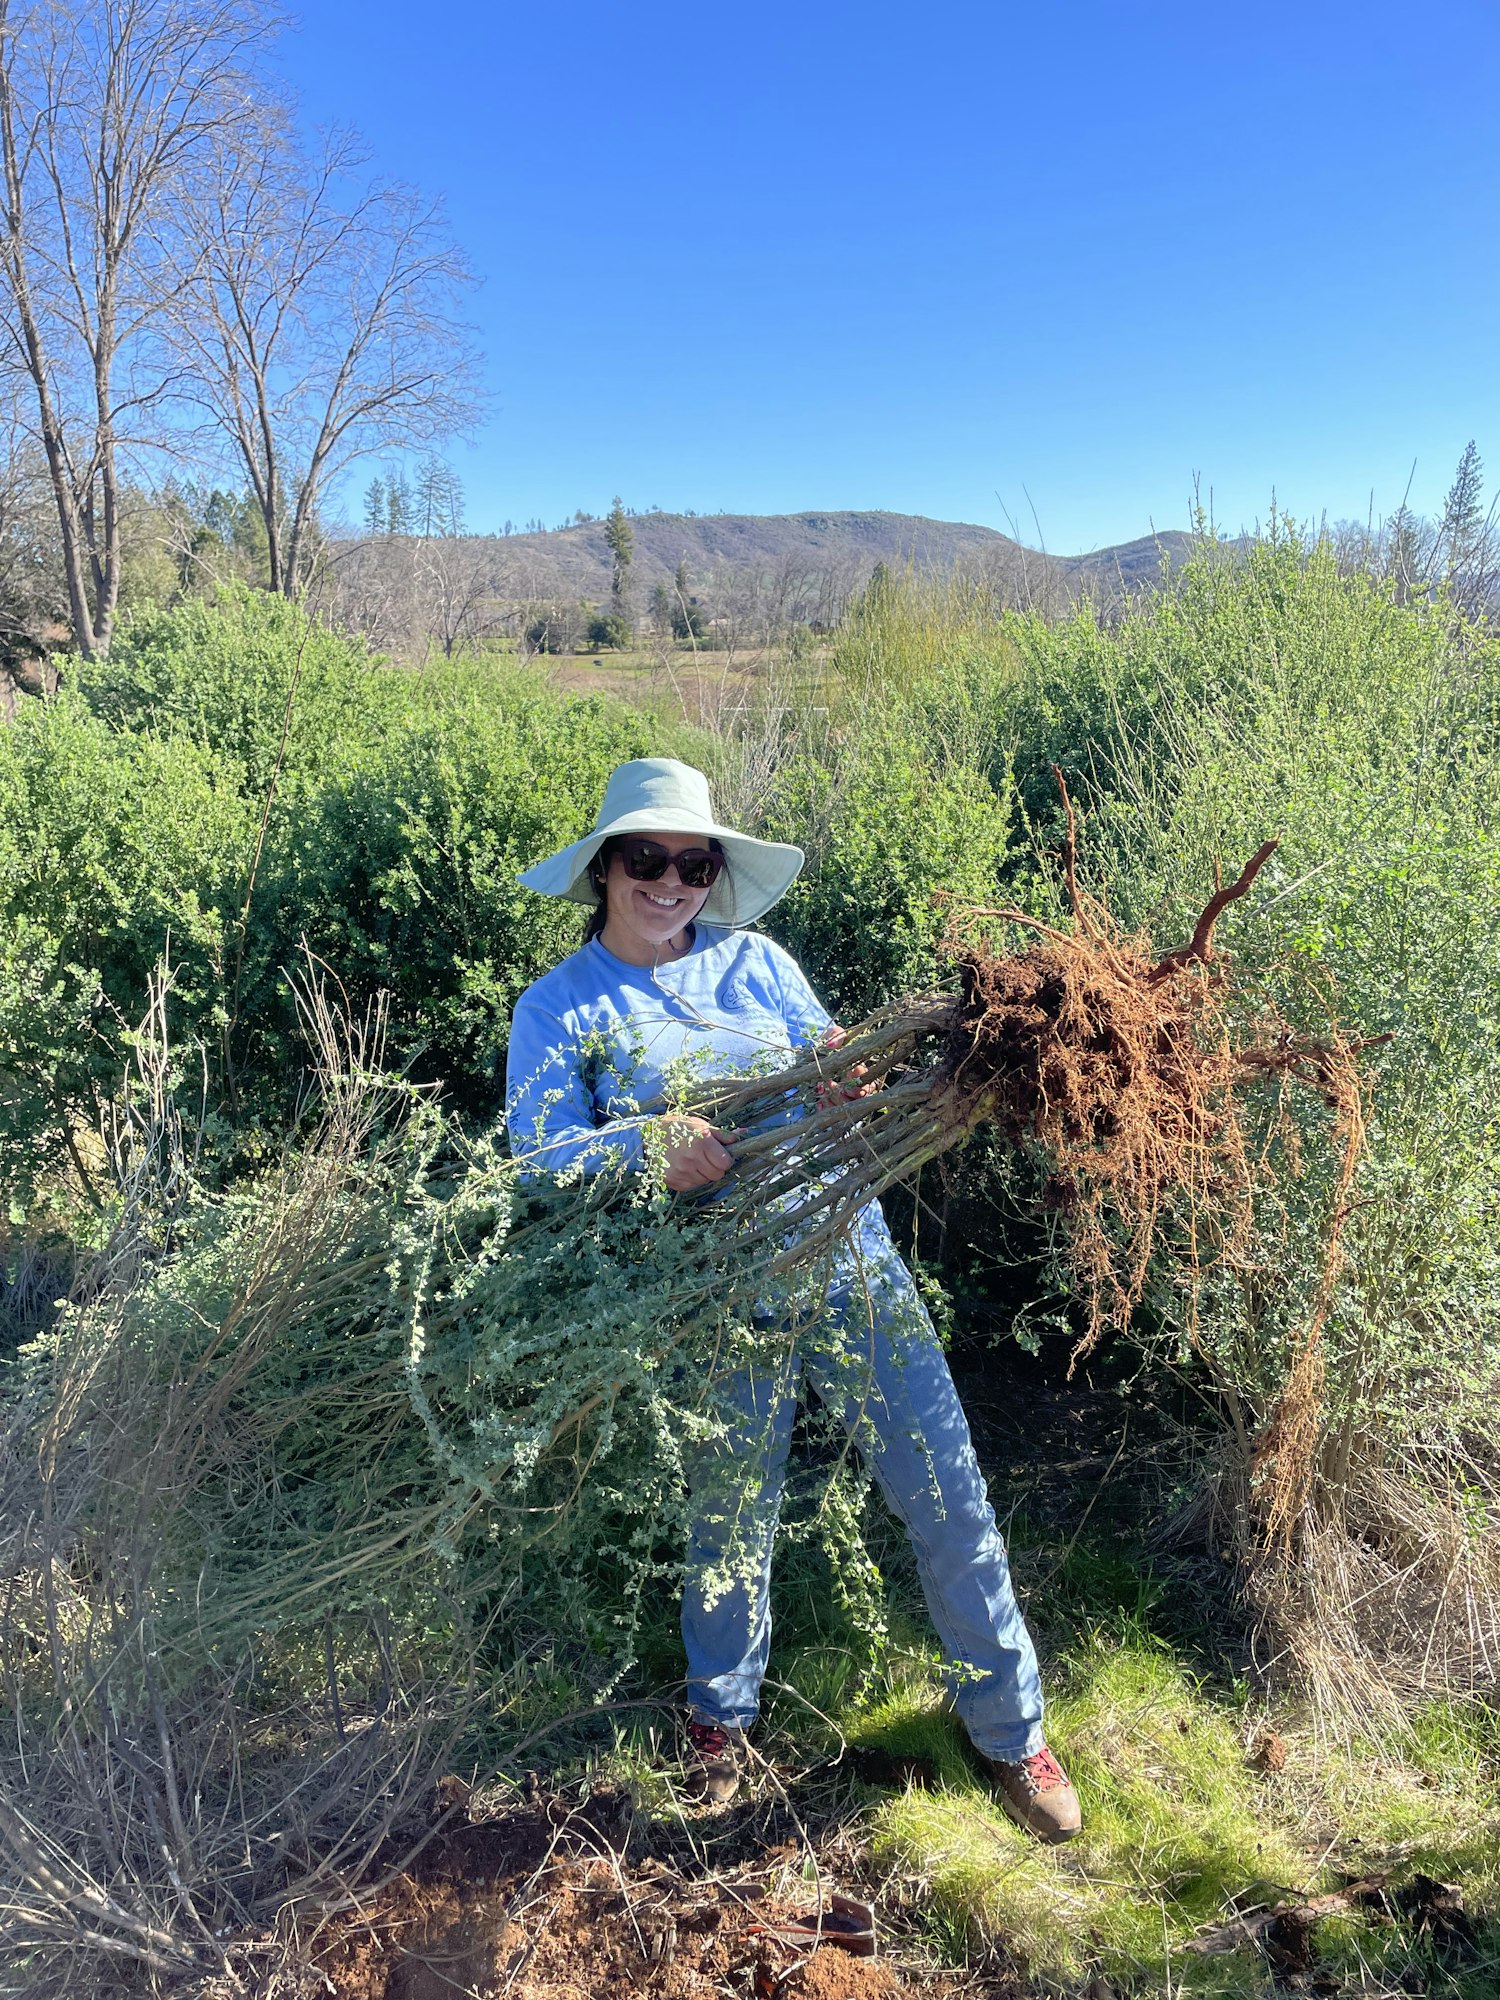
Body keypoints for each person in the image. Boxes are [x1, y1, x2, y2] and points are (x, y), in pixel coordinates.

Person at [504, 757, 1080, 1841]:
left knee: (949, 1495)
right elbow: (539, 1156)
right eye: (647, 858)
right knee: (729, 1520)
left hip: (850, 1266)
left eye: (693, 864)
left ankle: (1013, 1734)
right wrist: (644, 1144)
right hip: (715, 1295)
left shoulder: (760, 963)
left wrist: (850, 1074)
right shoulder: (560, 1007)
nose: (670, 882)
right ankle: (719, 1723)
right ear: (604, 867)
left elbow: (827, 1063)